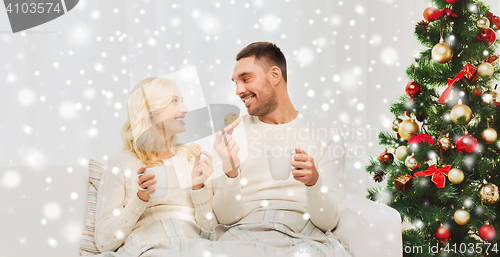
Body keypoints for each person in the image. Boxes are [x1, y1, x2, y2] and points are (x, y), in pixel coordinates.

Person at [211, 42, 351, 256]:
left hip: (304, 235)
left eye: (246, 78)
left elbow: (328, 222)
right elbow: (226, 218)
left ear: (275, 75)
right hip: (243, 235)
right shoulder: (232, 133)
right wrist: (230, 172)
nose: (239, 90)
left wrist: (313, 182)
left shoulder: (325, 132)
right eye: (235, 83)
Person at [94, 77, 217, 255]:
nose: (184, 109)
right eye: (174, 101)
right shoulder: (120, 163)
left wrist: (198, 189)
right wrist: (140, 198)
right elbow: (104, 242)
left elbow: (211, 232)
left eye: (182, 101)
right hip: (148, 247)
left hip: (193, 247)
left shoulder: (193, 160)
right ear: (150, 112)